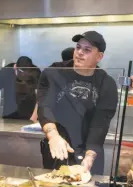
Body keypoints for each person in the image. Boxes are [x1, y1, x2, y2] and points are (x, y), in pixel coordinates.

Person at [37, 31, 118, 175]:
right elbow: (45, 106)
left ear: (99, 57)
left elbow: (100, 123)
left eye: (87, 50)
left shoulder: (106, 83)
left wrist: (90, 156)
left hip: (90, 148)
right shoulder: (54, 72)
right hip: (59, 146)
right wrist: (53, 136)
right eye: (78, 47)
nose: (79, 52)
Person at [0, 56, 41, 121]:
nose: (23, 76)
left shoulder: (35, 72)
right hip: (9, 116)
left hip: (30, 115)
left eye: (26, 73)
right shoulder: (6, 71)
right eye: (21, 73)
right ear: (15, 67)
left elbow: (40, 96)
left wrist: (34, 116)